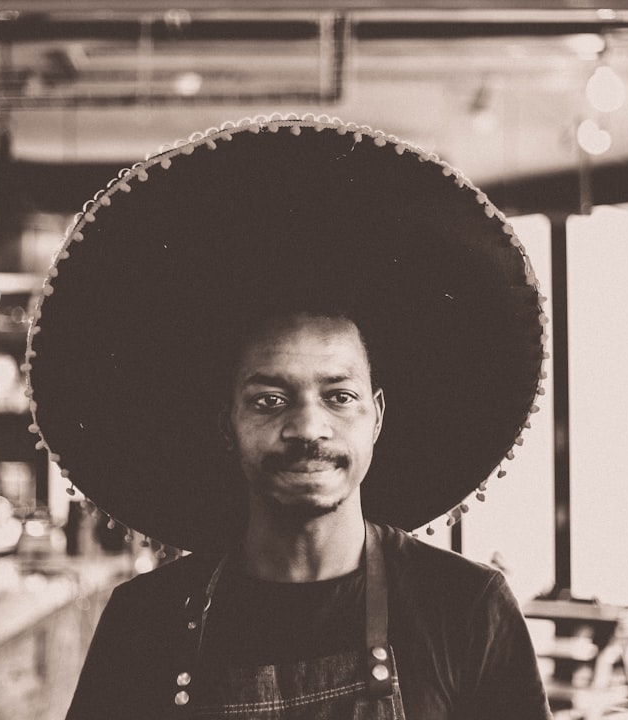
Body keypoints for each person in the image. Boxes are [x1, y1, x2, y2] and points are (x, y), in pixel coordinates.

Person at [27, 116, 552, 719]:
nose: (307, 428)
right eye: (269, 400)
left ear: (376, 418)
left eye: (339, 396)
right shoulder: (146, 621)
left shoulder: (465, 608)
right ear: (226, 423)